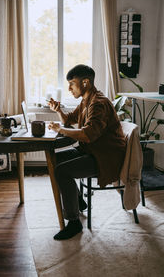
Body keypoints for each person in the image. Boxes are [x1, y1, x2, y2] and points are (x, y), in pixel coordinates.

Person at [48, 64, 126, 241]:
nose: (69, 88)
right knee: (54, 161)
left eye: (72, 84)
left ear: (85, 82)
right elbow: (69, 121)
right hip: (92, 152)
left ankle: (74, 222)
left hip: (104, 158)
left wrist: (60, 130)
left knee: (61, 170)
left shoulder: (98, 103)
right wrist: (58, 110)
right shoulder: (86, 100)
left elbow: (88, 135)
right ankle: (79, 202)